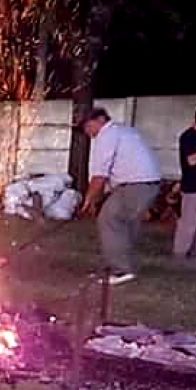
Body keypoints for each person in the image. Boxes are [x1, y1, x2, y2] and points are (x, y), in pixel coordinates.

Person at [78, 107, 161, 286]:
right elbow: (113, 173)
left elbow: (100, 175)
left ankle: (122, 269)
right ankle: (119, 267)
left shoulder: (107, 135)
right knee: (126, 225)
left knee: (109, 219)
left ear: (100, 120)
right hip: (147, 184)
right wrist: (98, 197)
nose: (87, 132)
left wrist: (88, 200)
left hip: (136, 185)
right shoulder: (123, 130)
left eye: (88, 126)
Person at [174, 109, 196, 259]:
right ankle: (180, 252)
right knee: (188, 222)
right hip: (193, 185)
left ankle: (195, 252)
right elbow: (191, 160)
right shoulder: (188, 136)